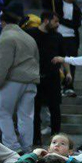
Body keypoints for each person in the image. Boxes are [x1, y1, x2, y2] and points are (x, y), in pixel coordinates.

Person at [0, 3, 41, 151]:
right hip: (31, 80)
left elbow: (2, 64)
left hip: (13, 80)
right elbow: (37, 60)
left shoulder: (6, 37)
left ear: (3, 22)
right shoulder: (29, 38)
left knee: (2, 114)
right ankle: (26, 148)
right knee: (26, 116)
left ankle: (13, 147)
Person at [28, 11, 65, 147]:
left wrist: (67, 72)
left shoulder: (58, 37)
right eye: (55, 21)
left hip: (53, 77)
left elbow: (63, 56)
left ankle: (56, 139)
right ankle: (36, 139)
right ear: (46, 20)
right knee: (35, 109)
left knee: (55, 109)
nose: (58, 24)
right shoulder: (31, 34)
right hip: (35, 77)